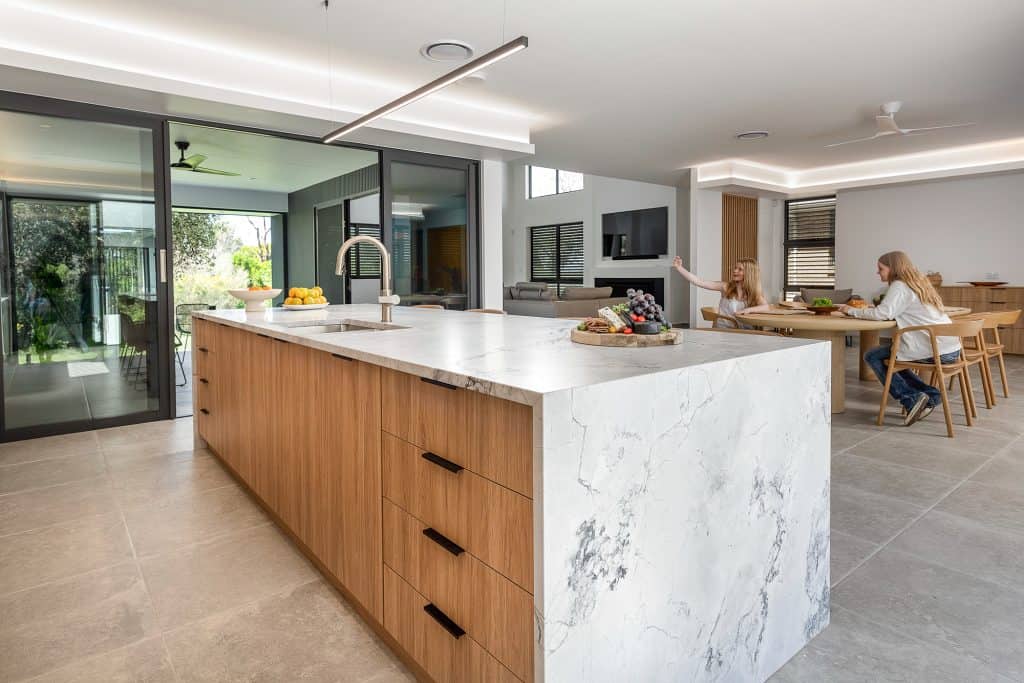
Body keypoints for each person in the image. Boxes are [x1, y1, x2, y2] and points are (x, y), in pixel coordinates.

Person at [838, 250, 960, 426]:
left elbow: (883, 314)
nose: (877, 272)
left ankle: (912, 398)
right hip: (950, 349)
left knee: (873, 356)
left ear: (893, 267)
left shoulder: (900, 285)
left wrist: (850, 310)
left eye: (881, 268)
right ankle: (931, 395)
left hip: (934, 349)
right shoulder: (919, 284)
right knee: (892, 357)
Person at [672, 256, 771, 328]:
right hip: (724, 331)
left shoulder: (753, 293)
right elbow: (700, 282)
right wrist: (679, 268)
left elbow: (766, 307)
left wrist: (747, 310)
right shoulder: (726, 287)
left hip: (744, 333)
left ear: (749, 274)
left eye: (739, 269)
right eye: (735, 268)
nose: (735, 271)